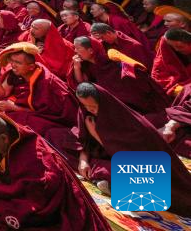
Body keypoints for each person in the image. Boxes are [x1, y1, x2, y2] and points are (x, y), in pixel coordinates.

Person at [75, 83, 191, 215]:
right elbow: (83, 140)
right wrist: (83, 160)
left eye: (93, 107)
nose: (90, 110)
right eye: (86, 106)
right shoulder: (85, 112)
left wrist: (96, 135)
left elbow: (124, 156)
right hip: (107, 157)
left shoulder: (129, 123)